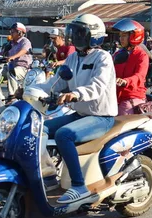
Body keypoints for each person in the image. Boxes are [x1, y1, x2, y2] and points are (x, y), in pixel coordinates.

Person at [37, 14, 117, 203]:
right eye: (74, 31)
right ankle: (48, 175)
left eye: (80, 32)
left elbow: (97, 86)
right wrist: (30, 91)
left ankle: (79, 186)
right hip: (80, 114)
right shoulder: (73, 57)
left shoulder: (103, 58)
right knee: (39, 129)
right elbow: (56, 83)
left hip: (101, 117)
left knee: (63, 134)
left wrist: (76, 94)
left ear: (93, 35)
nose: (75, 35)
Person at [112, 19, 149, 116]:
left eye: (124, 35)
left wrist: (126, 81)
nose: (121, 39)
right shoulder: (117, 54)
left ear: (134, 36)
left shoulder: (141, 55)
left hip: (132, 97)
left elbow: (139, 76)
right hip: (114, 97)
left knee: (121, 126)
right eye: (120, 36)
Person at [4, 23, 33, 99]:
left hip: (23, 68)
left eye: (13, 32)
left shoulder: (25, 41)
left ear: (19, 32)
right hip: (11, 66)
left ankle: (12, 96)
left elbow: (23, 51)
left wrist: (13, 57)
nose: (11, 33)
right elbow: (3, 52)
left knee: (11, 72)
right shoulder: (11, 43)